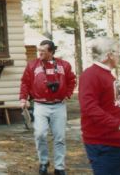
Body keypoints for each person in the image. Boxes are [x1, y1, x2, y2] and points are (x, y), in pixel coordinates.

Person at [78, 37, 120, 175]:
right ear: (109, 55)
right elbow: (89, 108)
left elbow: (114, 106)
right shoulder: (90, 75)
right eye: (118, 52)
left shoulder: (107, 75)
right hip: (103, 145)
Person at [19, 40, 76, 175]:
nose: (40, 53)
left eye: (43, 51)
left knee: (60, 137)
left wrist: (67, 94)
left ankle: (59, 167)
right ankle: (44, 162)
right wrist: (23, 98)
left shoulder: (64, 65)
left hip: (59, 105)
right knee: (40, 134)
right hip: (40, 105)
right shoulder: (32, 65)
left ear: (51, 52)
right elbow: (25, 83)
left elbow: (72, 80)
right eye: (39, 51)